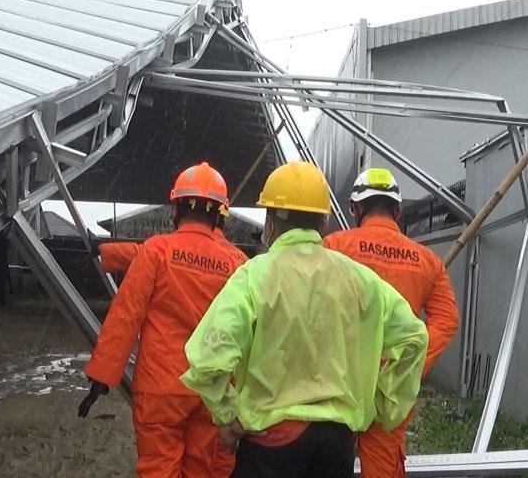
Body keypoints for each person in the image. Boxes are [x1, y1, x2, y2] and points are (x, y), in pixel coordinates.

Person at [181, 161, 430, 478]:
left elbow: (208, 358)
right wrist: (384, 405)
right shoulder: (362, 279)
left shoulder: (255, 275)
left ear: (271, 220)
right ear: (323, 221)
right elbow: (414, 338)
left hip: (271, 441)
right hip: (337, 442)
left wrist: (226, 415)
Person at [81, 162, 247, 477]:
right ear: (218, 214)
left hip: (161, 387)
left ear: (176, 207)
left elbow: (126, 316)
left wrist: (102, 377)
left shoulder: (158, 250)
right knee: (201, 469)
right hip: (212, 390)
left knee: (159, 468)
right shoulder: (237, 263)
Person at [324, 167, 459, 478]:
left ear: (356, 208)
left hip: (336, 383)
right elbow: (447, 320)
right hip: (391, 392)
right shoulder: (427, 261)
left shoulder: (333, 247)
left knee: (324, 460)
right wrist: (408, 369)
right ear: (397, 210)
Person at [94, 205, 247, 273]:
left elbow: (138, 254)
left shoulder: (162, 248)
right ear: (221, 219)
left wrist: (102, 248)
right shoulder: (240, 261)